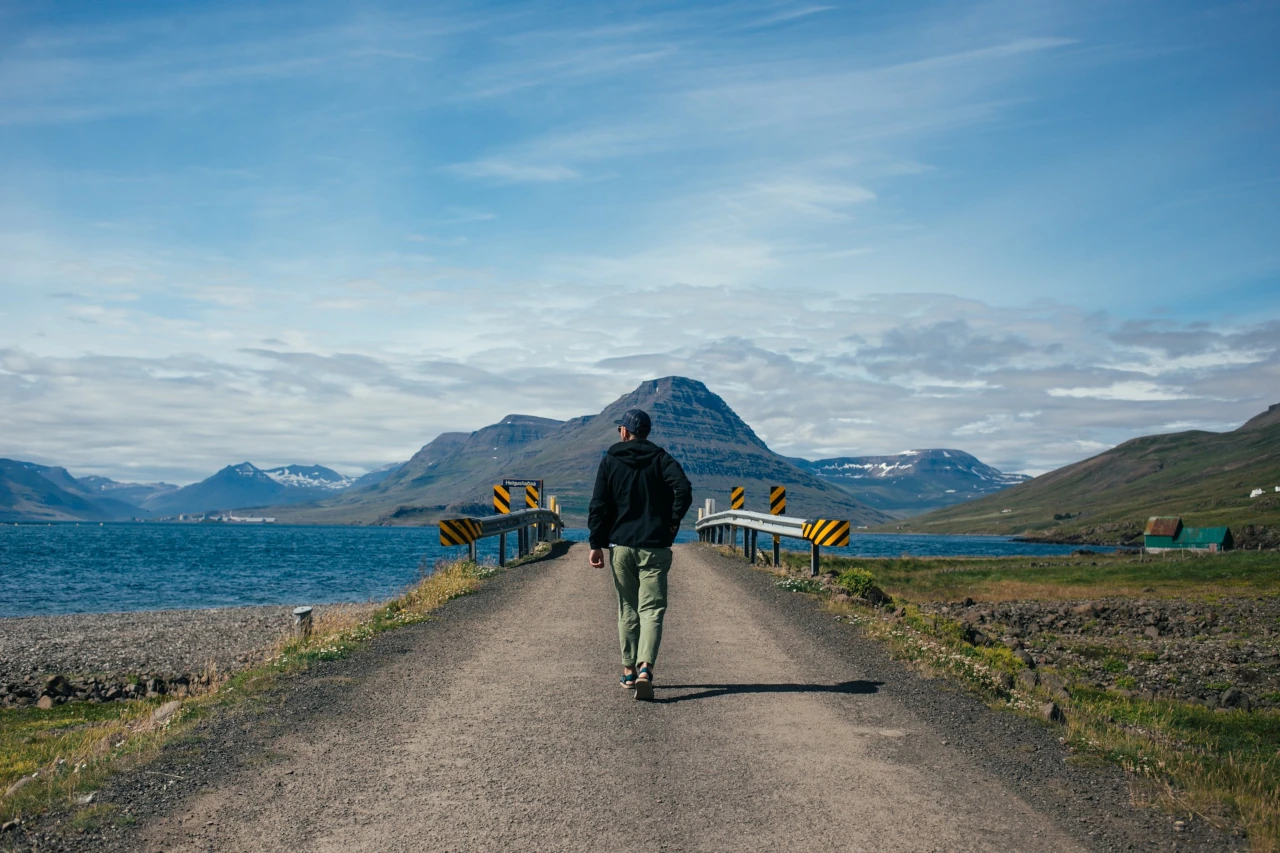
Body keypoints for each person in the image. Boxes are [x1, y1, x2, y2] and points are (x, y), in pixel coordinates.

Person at [588, 408, 693, 701]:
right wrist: (672, 522)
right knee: (652, 610)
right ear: (646, 432)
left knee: (627, 609)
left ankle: (628, 671)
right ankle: (646, 668)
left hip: (620, 546)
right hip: (655, 547)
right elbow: (683, 489)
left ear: (624, 431)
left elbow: (598, 504)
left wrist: (596, 544)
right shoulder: (661, 459)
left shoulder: (609, 461)